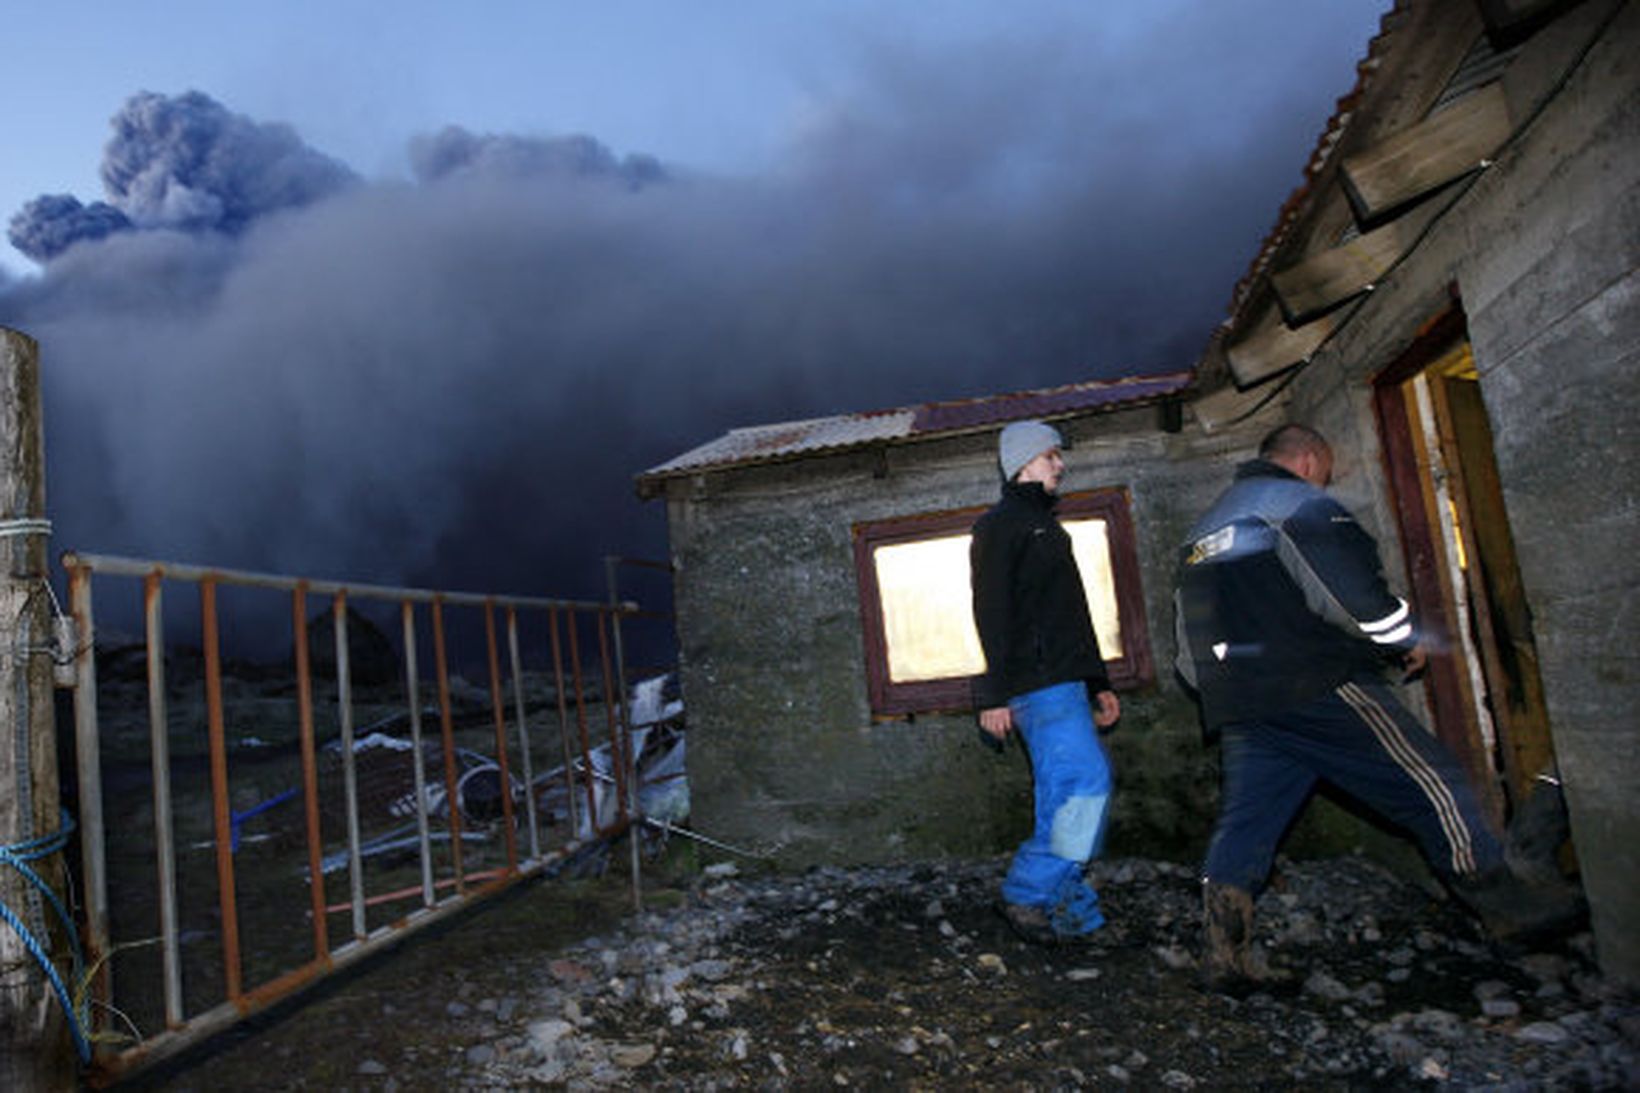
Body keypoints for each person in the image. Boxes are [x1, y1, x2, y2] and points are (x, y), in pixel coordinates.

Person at [1174, 423, 1583, 991]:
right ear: (1311, 459)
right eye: (1330, 468)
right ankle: (1514, 911)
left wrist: (1225, 689)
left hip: (1242, 704)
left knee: (1248, 821)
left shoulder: (1200, 533)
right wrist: (1404, 636)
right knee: (1435, 781)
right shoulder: (1293, 503)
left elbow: (1186, 652)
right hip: (1315, 683)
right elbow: (1350, 596)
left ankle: (1225, 954)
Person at [971, 419, 1120, 945]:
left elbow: (1071, 614)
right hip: (1037, 683)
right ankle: (1027, 893)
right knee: (1086, 785)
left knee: (1065, 796)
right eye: (1052, 456)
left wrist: (1097, 681)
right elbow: (991, 610)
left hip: (1064, 682)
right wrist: (992, 693)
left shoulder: (1046, 527)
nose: (1061, 465)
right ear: (1025, 461)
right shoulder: (1001, 525)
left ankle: (1073, 914)